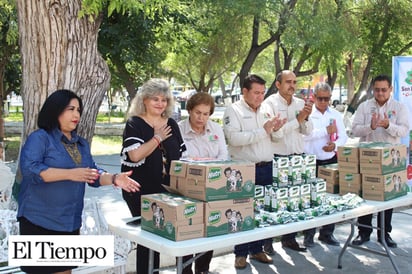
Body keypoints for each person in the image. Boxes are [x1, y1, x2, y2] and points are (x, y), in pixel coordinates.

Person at [17, 89, 140, 274]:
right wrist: (70, 174)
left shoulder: (80, 144)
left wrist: (114, 178)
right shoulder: (40, 138)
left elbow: (92, 174)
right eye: (70, 109)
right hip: (38, 221)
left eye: (78, 110)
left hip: (69, 222)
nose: (76, 114)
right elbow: (30, 170)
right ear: (55, 110)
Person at [120, 78, 186, 273]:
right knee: (147, 240)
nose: (160, 103)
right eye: (155, 99)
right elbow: (135, 155)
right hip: (138, 189)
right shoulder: (135, 123)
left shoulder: (171, 123)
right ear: (145, 100)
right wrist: (157, 137)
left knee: (159, 238)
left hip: (166, 190)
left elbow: (179, 156)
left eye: (164, 100)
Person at [223, 74, 286, 269]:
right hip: (244, 170)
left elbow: (275, 138)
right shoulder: (233, 111)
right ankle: (240, 253)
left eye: (262, 92)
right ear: (245, 92)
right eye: (256, 93)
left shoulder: (266, 108)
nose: (260, 97)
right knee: (242, 211)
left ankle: (258, 249)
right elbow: (233, 139)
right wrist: (263, 131)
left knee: (262, 211)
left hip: (266, 167)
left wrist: (277, 129)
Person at [351, 74, 409, 248]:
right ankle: (363, 232)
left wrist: (387, 125)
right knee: (366, 195)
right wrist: (371, 126)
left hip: (390, 160)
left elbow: (404, 130)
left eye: (384, 89)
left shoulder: (399, 107)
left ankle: (384, 234)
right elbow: (354, 130)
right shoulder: (364, 107)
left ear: (390, 89)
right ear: (373, 90)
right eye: (377, 90)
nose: (380, 93)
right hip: (367, 159)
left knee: (387, 197)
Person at [262, 70, 313, 253]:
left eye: (294, 82)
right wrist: (297, 120)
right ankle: (266, 243)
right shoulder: (269, 104)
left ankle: (289, 239)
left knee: (293, 203)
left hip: (297, 160)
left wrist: (305, 118)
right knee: (272, 202)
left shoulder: (300, 103)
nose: (292, 85)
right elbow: (276, 134)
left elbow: (308, 131)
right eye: (288, 82)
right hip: (277, 160)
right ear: (278, 84)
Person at [178, 92, 229, 274]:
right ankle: (185, 269)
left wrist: (200, 161)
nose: (201, 118)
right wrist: (205, 161)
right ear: (189, 110)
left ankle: (203, 268)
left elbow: (223, 157)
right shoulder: (179, 129)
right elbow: (180, 159)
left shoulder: (216, 129)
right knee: (189, 229)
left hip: (213, 187)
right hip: (187, 189)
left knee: (210, 229)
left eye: (206, 114)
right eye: (198, 112)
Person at [302, 82, 348, 247]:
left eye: (327, 99)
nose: (323, 102)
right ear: (314, 97)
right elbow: (303, 136)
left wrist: (334, 146)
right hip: (311, 162)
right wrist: (324, 132)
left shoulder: (335, 114)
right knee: (310, 199)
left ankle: (327, 233)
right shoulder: (307, 114)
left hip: (330, 160)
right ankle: (309, 234)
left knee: (330, 198)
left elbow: (343, 136)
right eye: (320, 98)